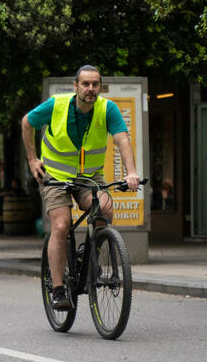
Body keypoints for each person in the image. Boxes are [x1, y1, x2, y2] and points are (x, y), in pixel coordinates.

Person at [21, 65, 139, 311]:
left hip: (88, 176)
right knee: (61, 225)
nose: (90, 89)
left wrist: (131, 173)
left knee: (105, 208)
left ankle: (91, 250)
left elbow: (122, 139)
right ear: (76, 86)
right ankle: (58, 288)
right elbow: (27, 122)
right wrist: (32, 159)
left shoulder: (108, 109)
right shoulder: (57, 105)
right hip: (55, 175)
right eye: (85, 84)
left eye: (95, 84)